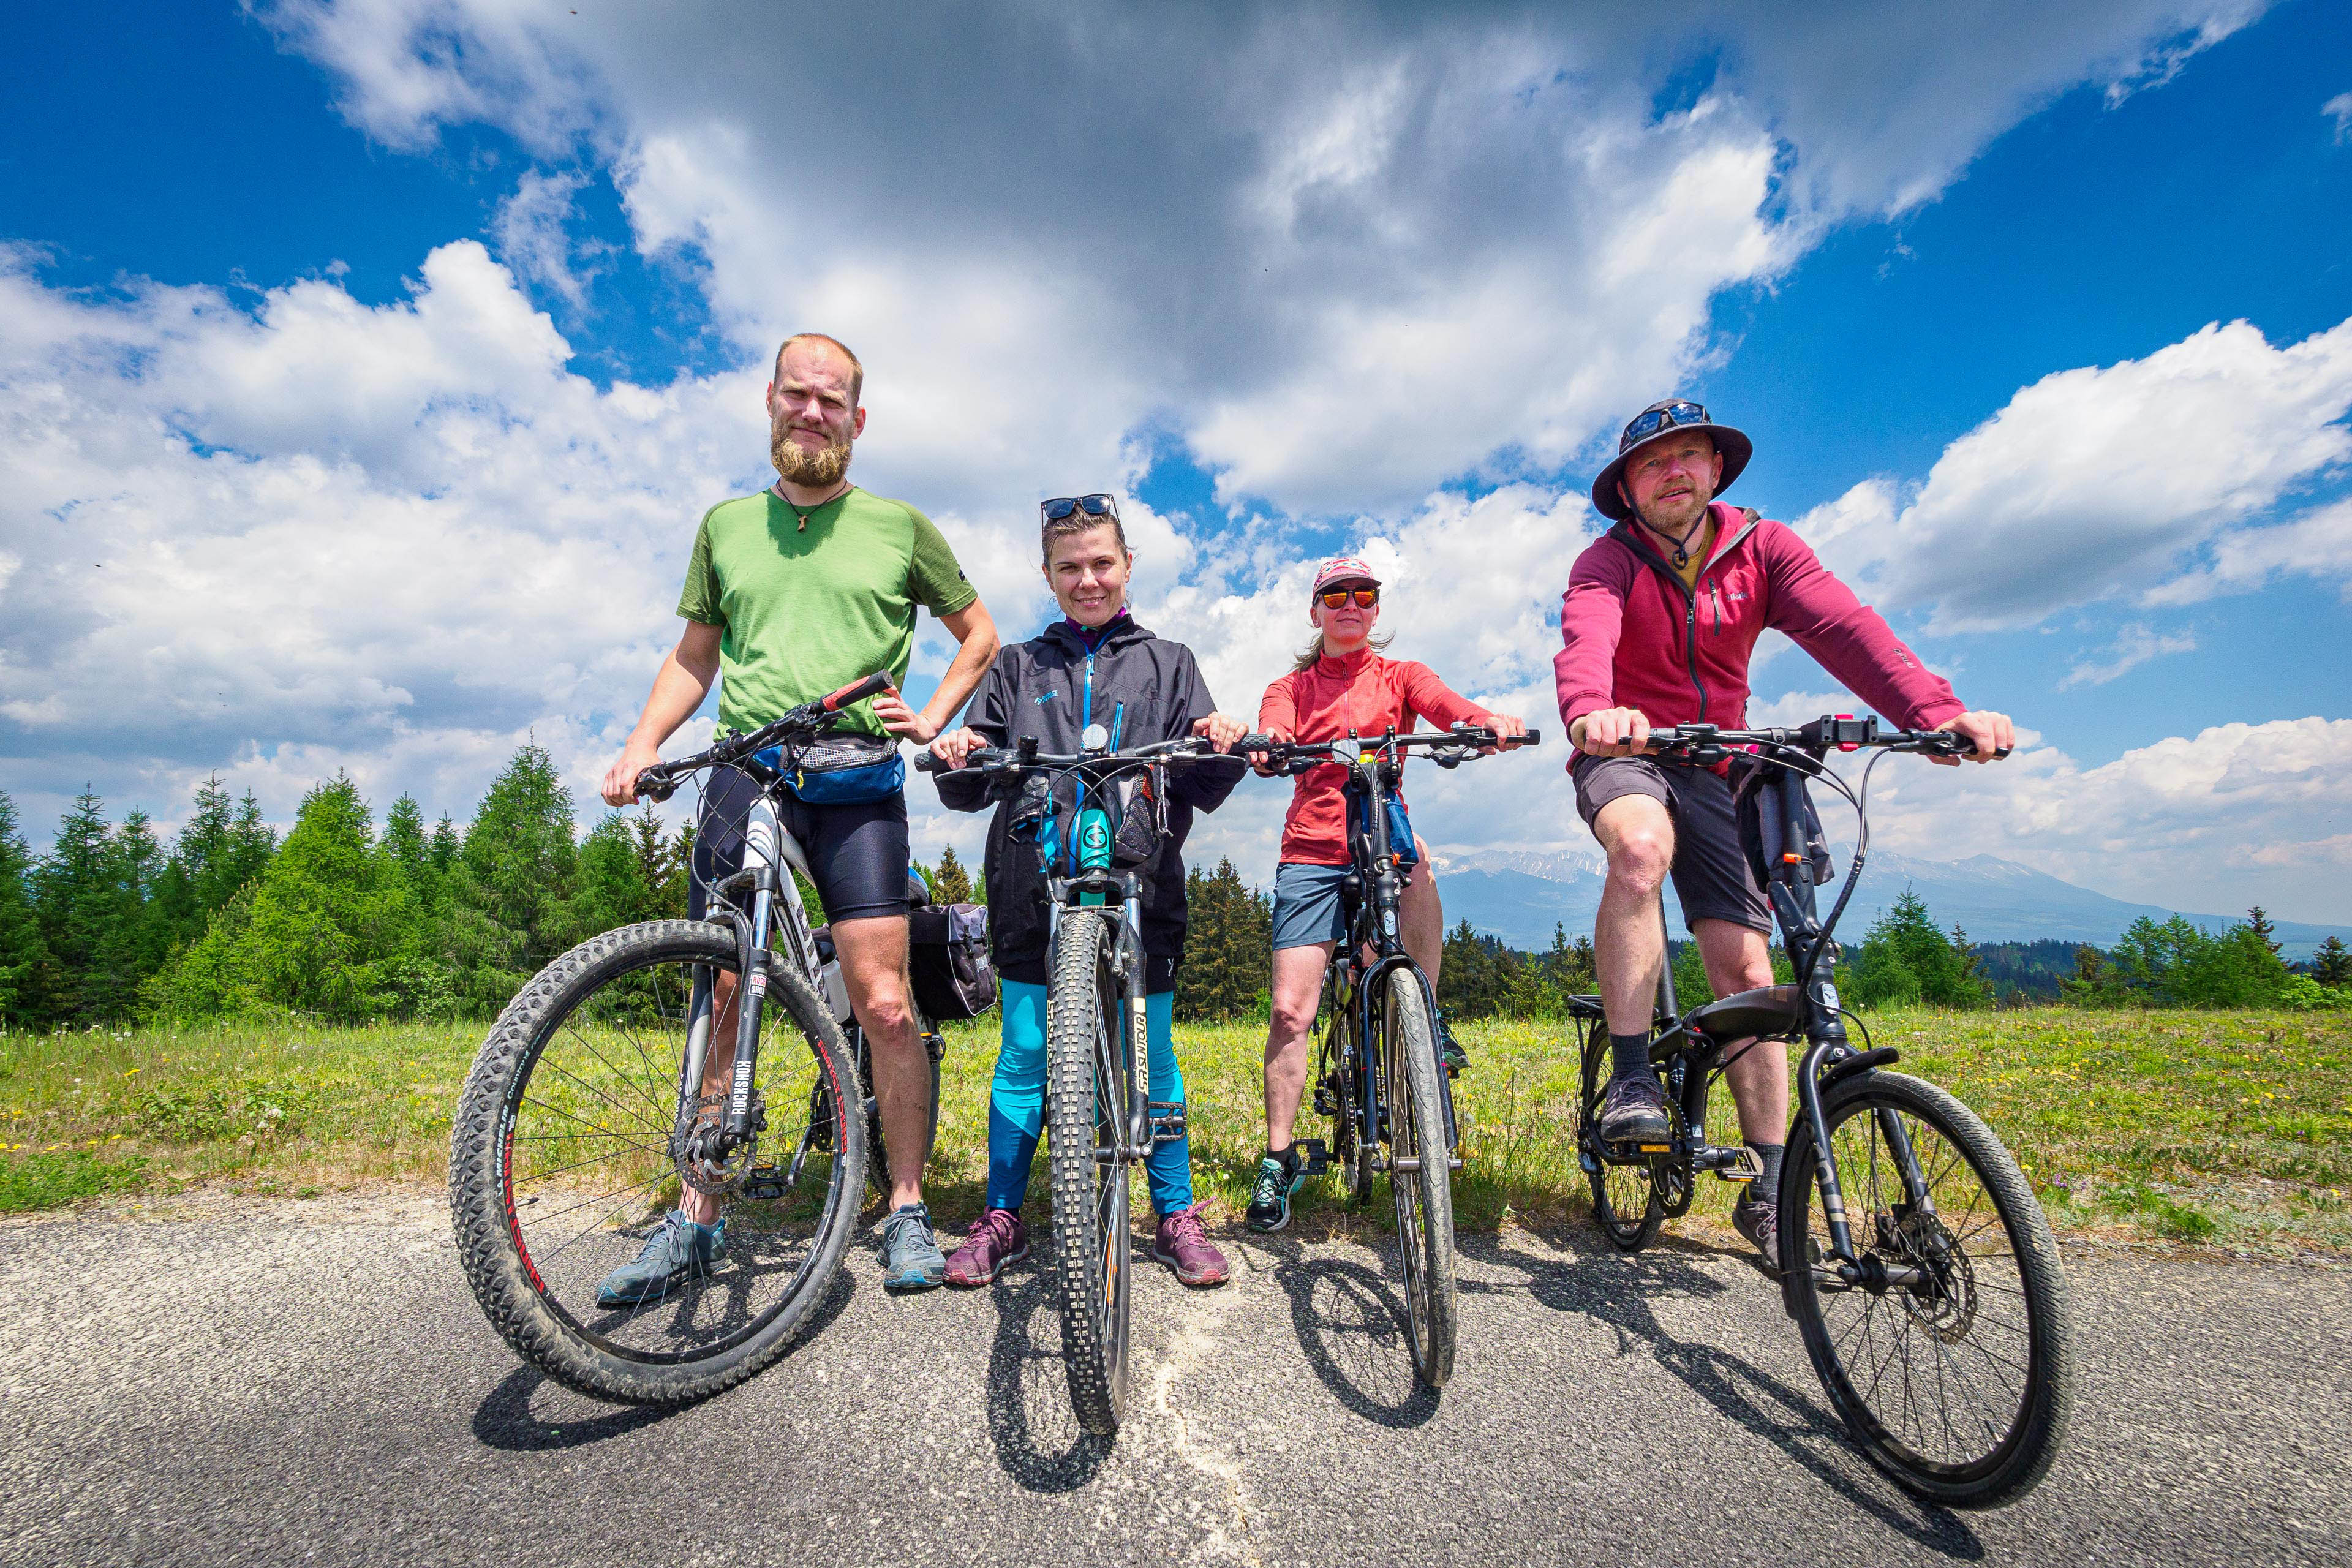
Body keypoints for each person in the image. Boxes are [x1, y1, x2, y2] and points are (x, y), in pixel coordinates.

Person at [1555, 398, 2013, 1267]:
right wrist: (1593, 712)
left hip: (1724, 758)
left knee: (1750, 969)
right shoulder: (1606, 561)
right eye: (1653, 464)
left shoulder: (1765, 548)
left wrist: (1937, 715)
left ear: (1718, 470)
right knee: (1641, 850)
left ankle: (1770, 1187)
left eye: (1690, 456)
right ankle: (1632, 1077)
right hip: (1629, 749)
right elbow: (1587, 639)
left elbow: (1847, 630)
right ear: (1627, 487)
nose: (1674, 473)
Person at [595, 332, 1000, 1298]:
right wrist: (642, 744)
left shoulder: (900, 525)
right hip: (747, 768)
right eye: (797, 395)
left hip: (859, 776)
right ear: (770, 402)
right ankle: (695, 1217)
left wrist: (932, 715)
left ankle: (904, 1208)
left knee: (886, 1002)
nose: (812, 413)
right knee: (725, 992)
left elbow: (979, 633)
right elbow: (695, 657)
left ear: (858, 421)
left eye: (833, 401)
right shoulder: (726, 526)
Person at [929, 494, 1248, 1287]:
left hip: (1146, 885)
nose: (1089, 579)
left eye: (1102, 563)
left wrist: (1221, 741)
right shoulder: (1015, 667)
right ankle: (1004, 1215)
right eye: (1070, 568)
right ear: (1048, 575)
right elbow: (968, 785)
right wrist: (963, 746)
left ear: (1128, 565)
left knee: (1154, 1056)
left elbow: (1206, 783)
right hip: (1031, 887)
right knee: (1028, 1050)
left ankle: (1174, 1213)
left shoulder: (1170, 662)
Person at [1245, 557, 1528, 1232]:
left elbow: (1446, 706)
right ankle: (1279, 1159)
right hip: (1312, 848)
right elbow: (1275, 720)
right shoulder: (1291, 684)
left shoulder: (1402, 675)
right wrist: (1273, 742)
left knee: (1420, 857)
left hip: (1382, 840)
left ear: (1375, 609)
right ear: (1315, 612)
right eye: (1335, 595)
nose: (1351, 604)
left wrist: (1483, 722)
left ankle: (1422, 1013)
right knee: (1290, 1010)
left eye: (1363, 595)